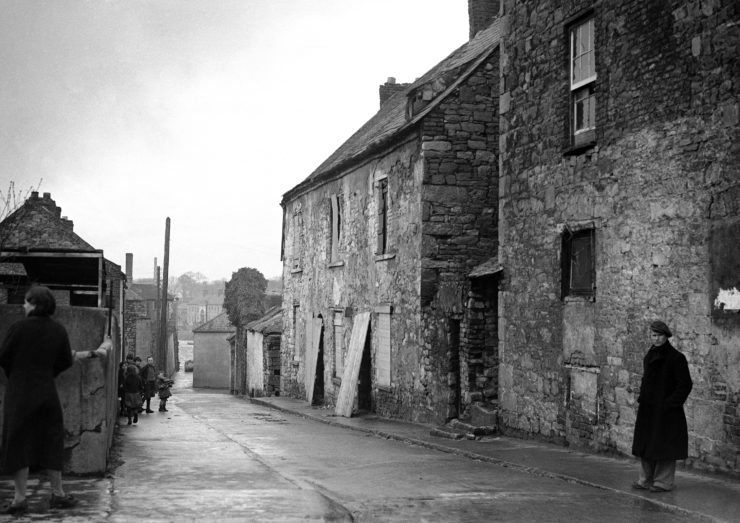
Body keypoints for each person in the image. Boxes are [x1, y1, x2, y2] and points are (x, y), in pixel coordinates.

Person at [0, 286, 78, 515]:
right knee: (51, 441)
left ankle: (19, 498)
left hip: (19, 392)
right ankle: (58, 494)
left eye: (26, 302)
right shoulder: (58, 330)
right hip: (46, 391)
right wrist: (47, 373)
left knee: (18, 442)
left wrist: (17, 374)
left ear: (34, 304)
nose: (23, 306)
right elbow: (65, 361)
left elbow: (4, 357)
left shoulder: (18, 328)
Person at [631, 320, 693, 493]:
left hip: (666, 412)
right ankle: (644, 480)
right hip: (649, 409)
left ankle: (663, 482)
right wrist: (642, 398)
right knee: (646, 445)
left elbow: (685, 385)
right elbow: (647, 379)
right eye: (653, 335)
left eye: (659, 336)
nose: (656, 339)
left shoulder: (676, 358)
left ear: (666, 337)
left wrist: (670, 404)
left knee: (665, 447)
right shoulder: (649, 355)